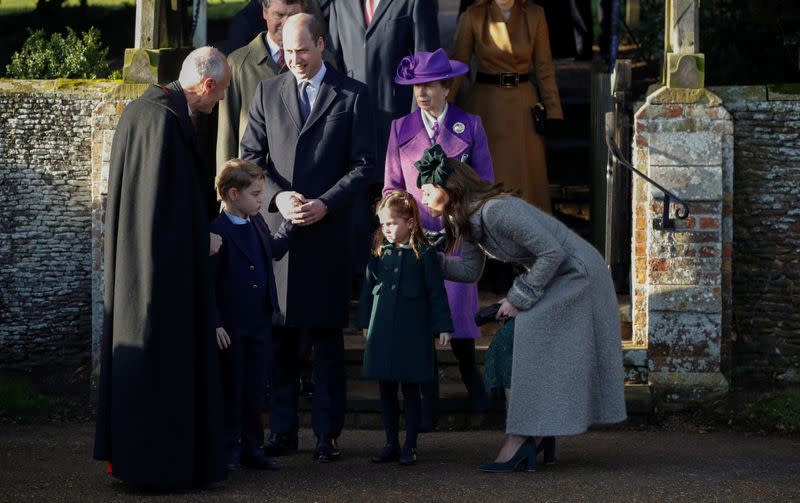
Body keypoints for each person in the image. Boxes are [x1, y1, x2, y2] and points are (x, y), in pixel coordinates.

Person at [416, 145, 626, 472]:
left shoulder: (498, 210)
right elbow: (469, 272)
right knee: (511, 345)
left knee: (509, 344)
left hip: (578, 274)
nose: (423, 197)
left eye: (427, 190)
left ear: (448, 189)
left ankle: (524, 437)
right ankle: (536, 433)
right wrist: (428, 261)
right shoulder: (466, 221)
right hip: (555, 276)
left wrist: (517, 298)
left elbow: (551, 253)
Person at [94, 46, 232, 489]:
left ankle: (138, 460)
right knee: (162, 362)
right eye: (221, 93)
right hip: (159, 274)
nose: (219, 104)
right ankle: (159, 466)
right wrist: (203, 240)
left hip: (140, 264)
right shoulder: (164, 122)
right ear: (206, 85)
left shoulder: (145, 110)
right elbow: (164, 211)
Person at [240, 13, 375, 463]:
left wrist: (326, 204)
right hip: (279, 236)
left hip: (328, 235)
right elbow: (250, 157)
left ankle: (326, 434)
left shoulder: (353, 95)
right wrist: (276, 199)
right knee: (279, 341)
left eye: (302, 50)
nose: (293, 59)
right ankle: (281, 432)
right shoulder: (266, 91)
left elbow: (363, 166)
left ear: (320, 44)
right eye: (288, 50)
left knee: (325, 342)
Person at [383, 48, 494, 427]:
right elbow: (391, 188)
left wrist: (460, 218)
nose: (421, 94)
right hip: (415, 236)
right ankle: (426, 400)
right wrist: (399, 224)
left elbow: (485, 186)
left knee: (459, 316)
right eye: (416, 87)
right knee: (419, 317)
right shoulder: (400, 129)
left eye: (429, 86)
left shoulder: (471, 125)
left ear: (447, 87)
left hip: (456, 235)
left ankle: (473, 385)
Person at [356, 191, 453, 466]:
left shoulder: (424, 253)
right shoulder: (378, 252)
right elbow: (367, 290)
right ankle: (390, 442)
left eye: (392, 223)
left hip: (413, 331)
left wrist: (443, 326)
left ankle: (410, 444)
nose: (386, 229)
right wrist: (364, 322)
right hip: (383, 330)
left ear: (410, 223)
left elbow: (437, 292)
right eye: (383, 224)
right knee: (386, 389)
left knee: (410, 390)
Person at [209, 159, 294, 472]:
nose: (261, 199)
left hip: (259, 321)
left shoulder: (258, 222)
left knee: (256, 387)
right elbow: (209, 284)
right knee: (232, 387)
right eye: (256, 194)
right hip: (231, 326)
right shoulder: (215, 232)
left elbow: (274, 249)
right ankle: (230, 448)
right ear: (233, 194)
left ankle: (253, 447)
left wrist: (290, 222)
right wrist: (215, 322)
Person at [451, 0, 563, 212]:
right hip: (486, 107)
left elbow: (545, 68)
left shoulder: (535, 14)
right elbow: (459, 64)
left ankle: (528, 233)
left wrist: (554, 110)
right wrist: (443, 107)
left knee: (525, 178)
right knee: (489, 175)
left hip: (523, 106)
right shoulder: (473, 15)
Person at [327, 0, 440, 181]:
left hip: (398, 124)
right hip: (353, 128)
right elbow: (335, 63)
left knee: (396, 201)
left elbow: (427, 68)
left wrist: (417, 128)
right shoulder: (340, 3)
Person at [227, 0, 326, 53]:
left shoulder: (321, 56)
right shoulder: (245, 20)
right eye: (279, 15)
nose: (286, 23)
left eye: (293, 15)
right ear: (265, 12)